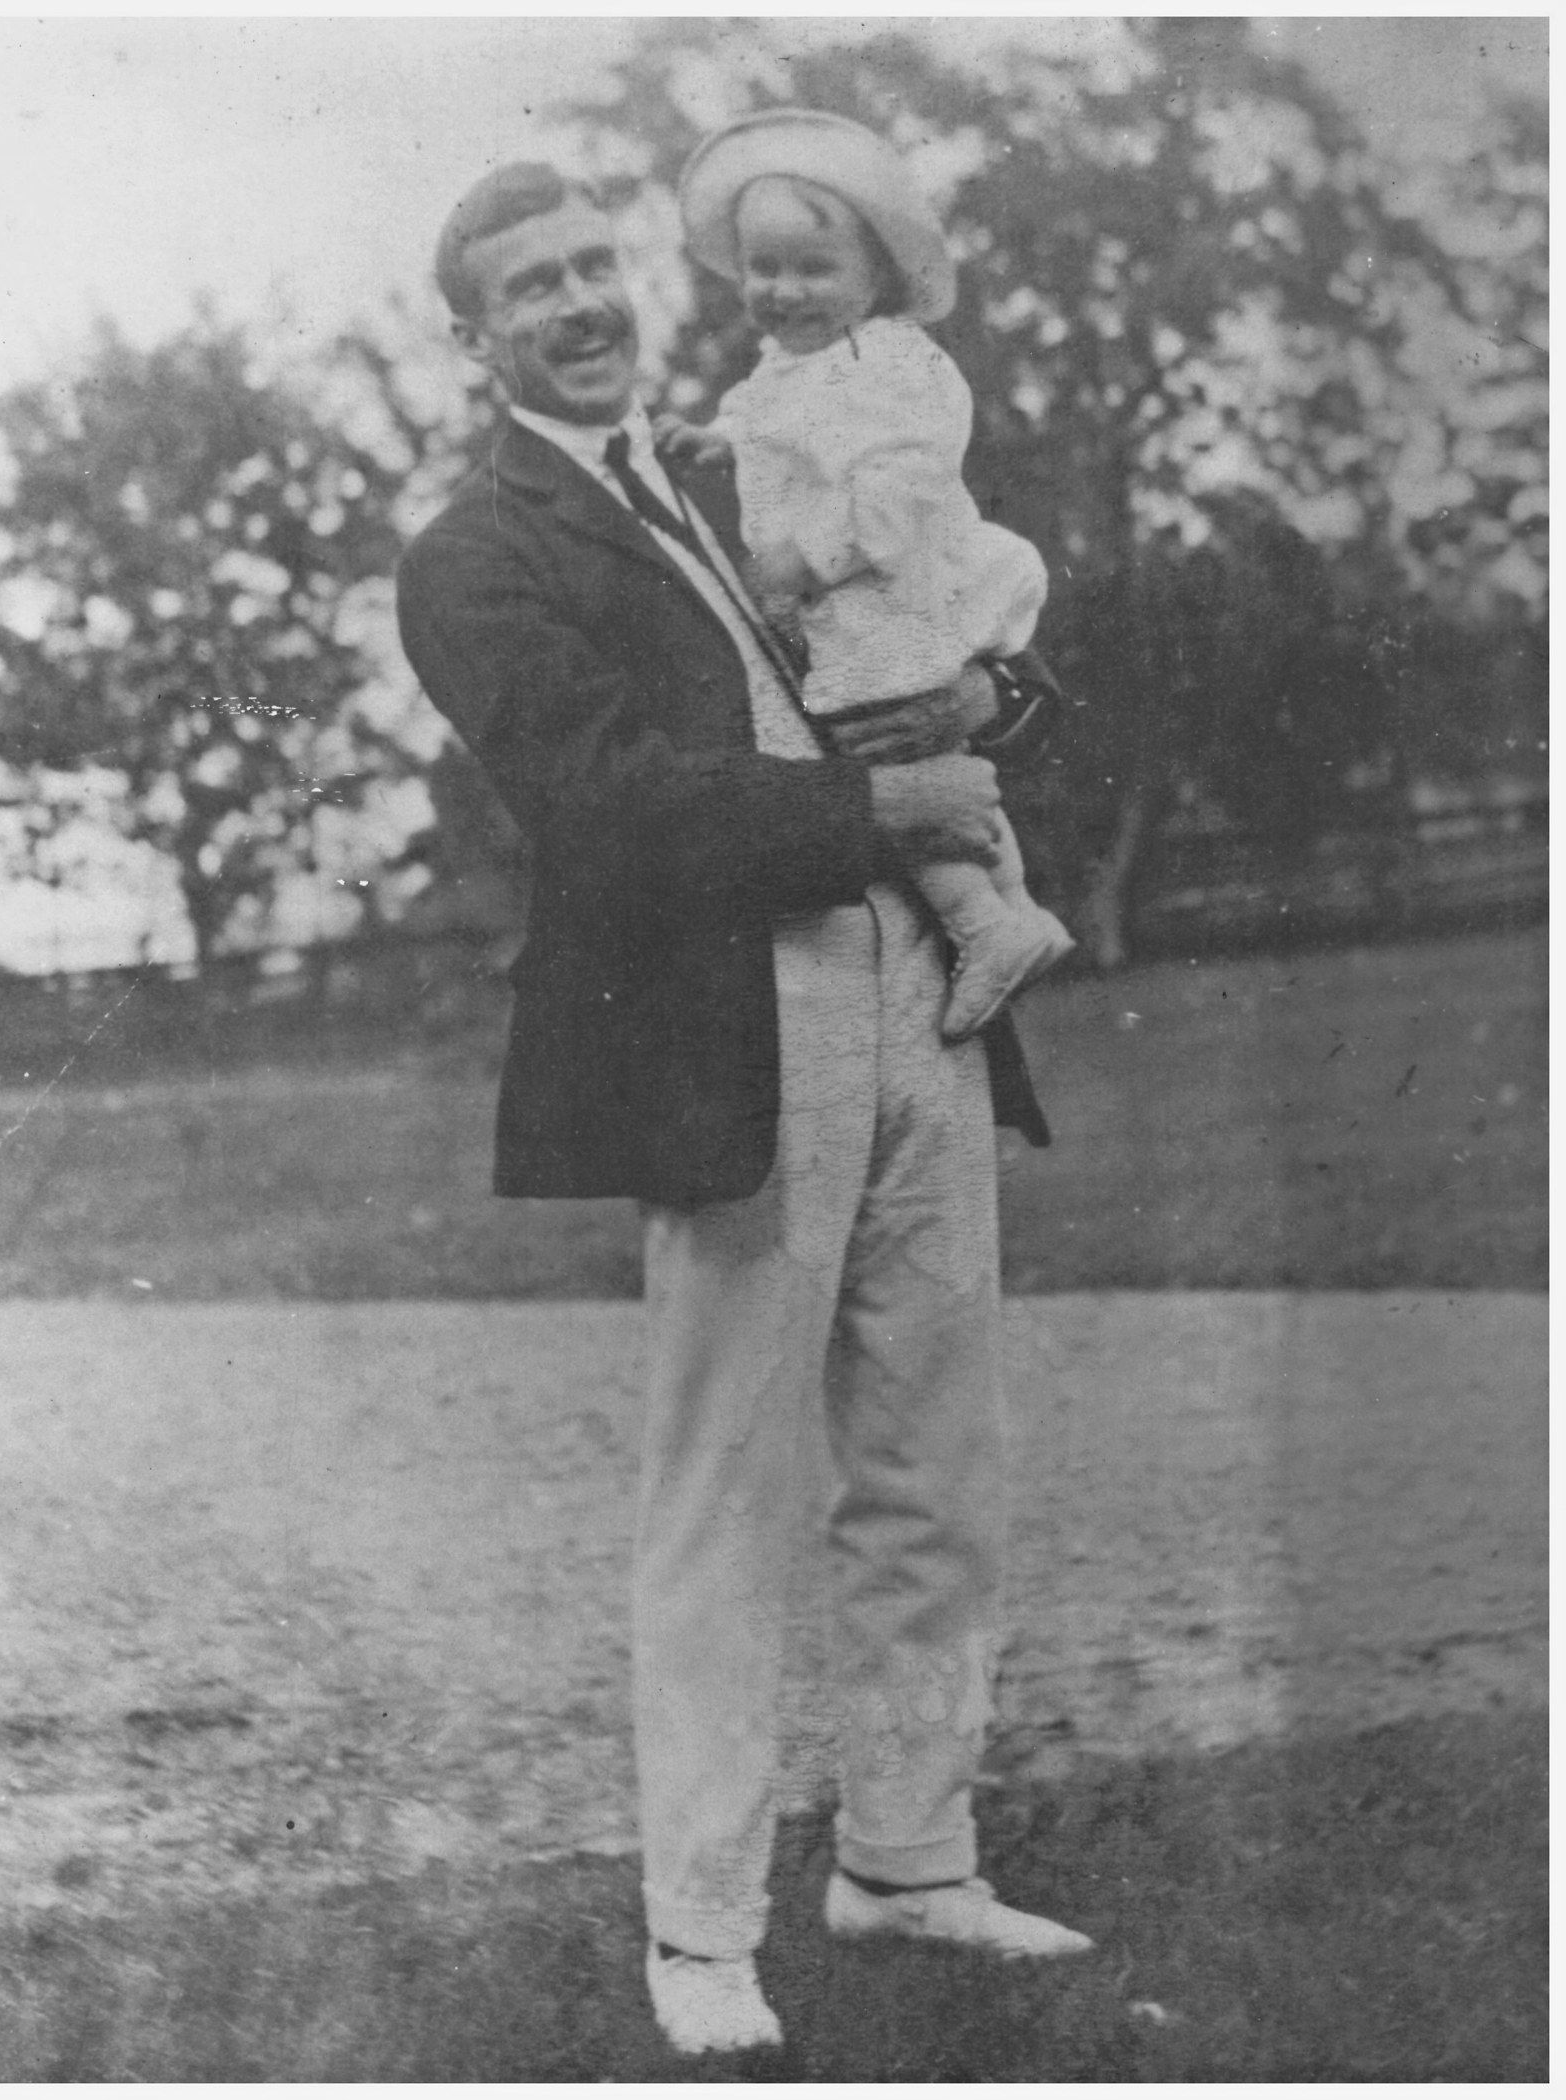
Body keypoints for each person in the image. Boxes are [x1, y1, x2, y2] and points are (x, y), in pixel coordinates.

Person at [396, 156, 1092, 2061]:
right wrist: (884, 811)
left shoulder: (745, 457)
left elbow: (944, 607)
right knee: (722, 1495)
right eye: (526, 290)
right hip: (733, 1022)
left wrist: (988, 718)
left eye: (588, 267)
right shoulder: (481, 553)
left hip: (929, 991)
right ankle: (702, 1939)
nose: (576, 305)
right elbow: (607, 802)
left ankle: (909, 1857)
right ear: (475, 341)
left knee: (936, 1462)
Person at [669, 109, 1075, 1041]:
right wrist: (713, 443)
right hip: (845, 607)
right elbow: (762, 429)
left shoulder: (898, 367)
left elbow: (906, 482)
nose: (785, 290)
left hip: (887, 594)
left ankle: (985, 925)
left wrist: (812, 557)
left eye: (815, 270)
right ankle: (1019, 914)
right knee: (935, 765)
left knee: (884, 753)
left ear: (876, 277)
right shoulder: (780, 372)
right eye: (764, 268)